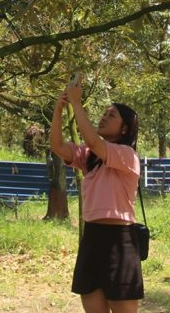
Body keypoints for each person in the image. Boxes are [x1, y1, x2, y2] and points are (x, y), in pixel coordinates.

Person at [49, 71, 143, 313]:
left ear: (124, 129)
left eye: (111, 116)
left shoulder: (127, 156)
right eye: (104, 113)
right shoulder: (89, 157)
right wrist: (59, 109)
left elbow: (93, 141)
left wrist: (77, 102)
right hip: (92, 237)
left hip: (119, 240)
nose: (104, 117)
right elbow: (57, 146)